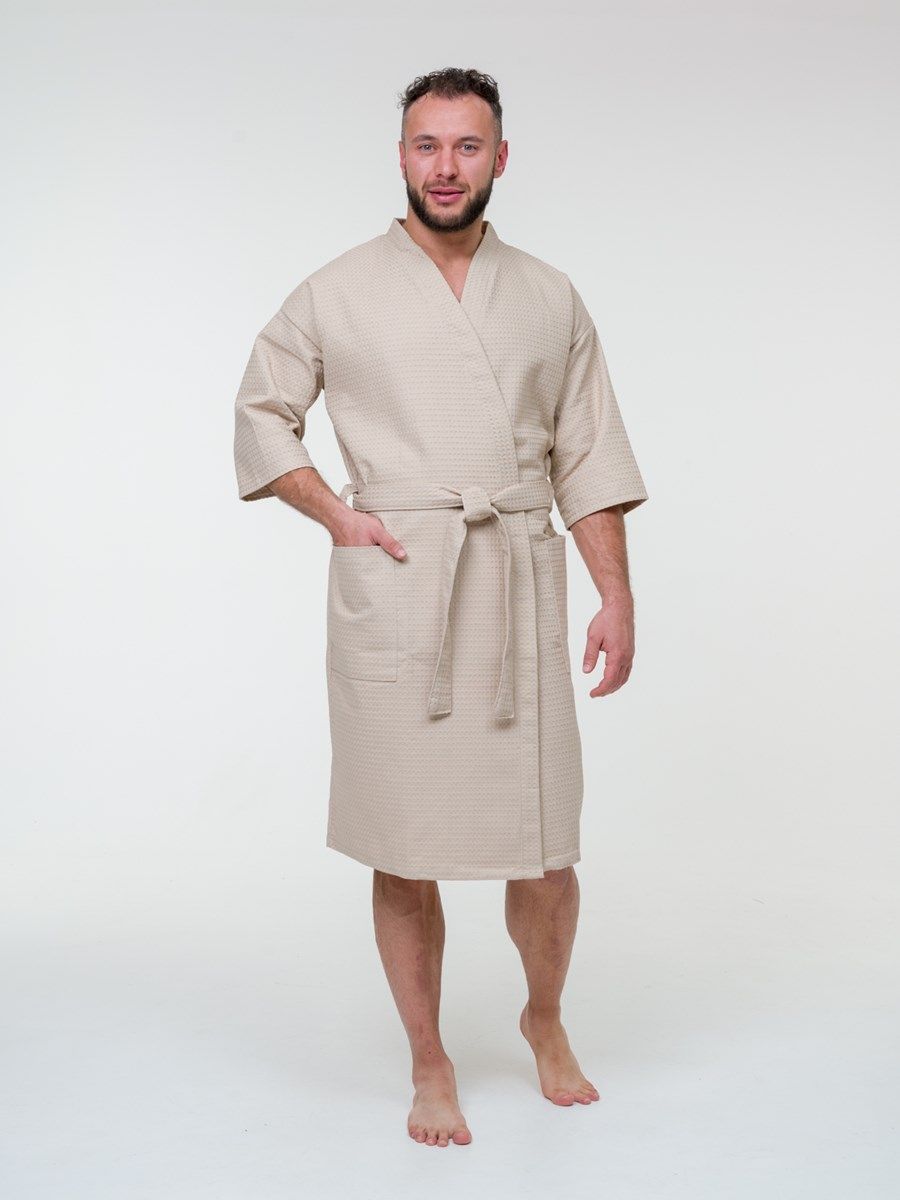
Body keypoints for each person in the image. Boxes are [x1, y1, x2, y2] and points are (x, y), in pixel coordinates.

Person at [232, 67, 649, 1148]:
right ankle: (428, 1058)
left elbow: (589, 453)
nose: (446, 167)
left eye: (468, 146)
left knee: (546, 847)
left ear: (500, 158)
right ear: (402, 157)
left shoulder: (549, 296)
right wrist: (338, 515)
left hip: (516, 581)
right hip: (401, 584)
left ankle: (543, 1016)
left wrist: (615, 593)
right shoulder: (336, 290)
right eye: (428, 145)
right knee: (403, 847)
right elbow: (262, 411)